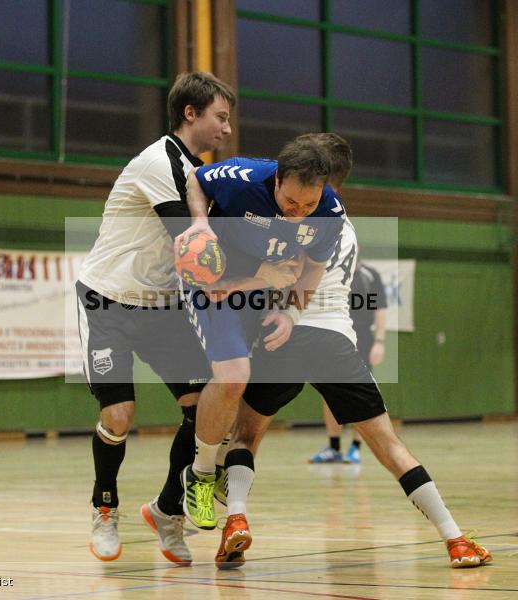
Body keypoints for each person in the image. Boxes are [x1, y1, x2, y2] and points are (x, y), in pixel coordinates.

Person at [213, 133, 491, 570]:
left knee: (245, 436)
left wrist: (232, 283)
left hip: (286, 334)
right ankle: (455, 539)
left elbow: (282, 273)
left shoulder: (298, 221)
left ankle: (236, 518)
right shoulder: (347, 227)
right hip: (336, 341)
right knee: (389, 446)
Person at [76, 72, 238, 564]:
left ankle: (168, 510)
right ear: (190, 113)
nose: (227, 129)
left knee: (204, 408)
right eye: (220, 117)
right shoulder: (159, 161)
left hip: (163, 305)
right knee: (119, 415)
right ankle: (105, 508)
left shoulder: (199, 172)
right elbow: (189, 240)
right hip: (109, 299)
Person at [175, 136, 345, 532]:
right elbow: (196, 178)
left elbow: (312, 270)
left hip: (263, 290)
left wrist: (290, 313)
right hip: (214, 283)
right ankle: (200, 474)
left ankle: (218, 467)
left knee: (262, 389)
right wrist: (199, 222)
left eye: (308, 206)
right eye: (290, 203)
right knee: (234, 375)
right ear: (277, 179)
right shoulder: (243, 177)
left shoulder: (330, 212)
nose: (298, 214)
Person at [309, 261, 386, 464]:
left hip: (361, 339)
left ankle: (355, 447)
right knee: (329, 390)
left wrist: (379, 341)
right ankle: (333, 447)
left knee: (359, 393)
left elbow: (380, 309)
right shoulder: (328, 271)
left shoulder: (370, 275)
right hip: (332, 336)